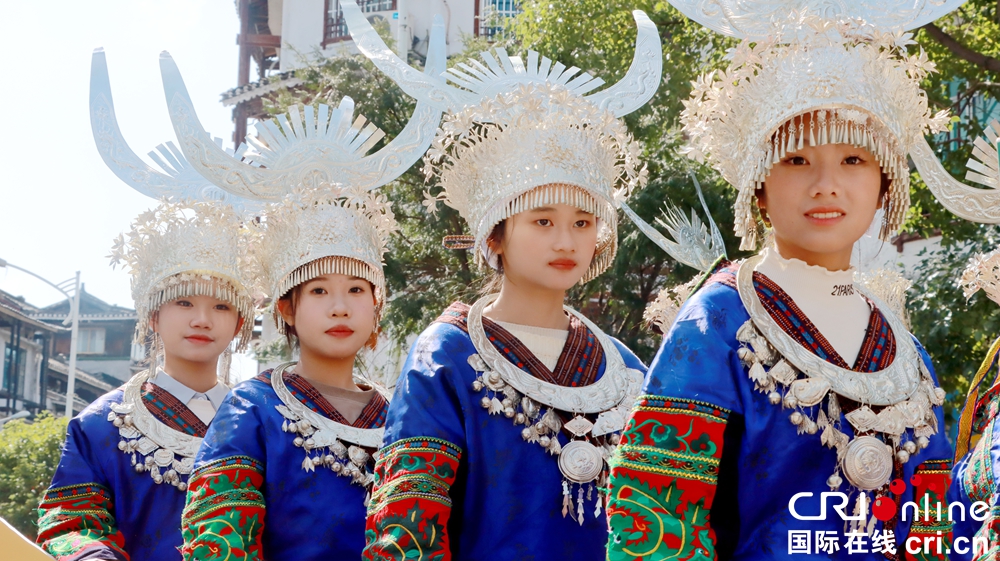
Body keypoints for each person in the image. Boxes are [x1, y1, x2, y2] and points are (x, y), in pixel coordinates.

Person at [605, 6, 966, 560]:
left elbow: (937, 530)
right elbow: (654, 527)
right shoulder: (716, 327)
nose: (827, 185)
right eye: (796, 159)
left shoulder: (907, 354)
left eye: (852, 159)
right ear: (759, 188)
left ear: (883, 184)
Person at [340, 5, 662, 558]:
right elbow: (409, 528)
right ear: (494, 236)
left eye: (582, 223)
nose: (566, 241)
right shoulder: (446, 357)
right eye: (542, 222)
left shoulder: (625, 370)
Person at [179, 183, 396, 560]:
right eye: (318, 291)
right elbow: (220, 539)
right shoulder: (252, 409)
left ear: (376, 306)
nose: (340, 308)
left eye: (357, 290)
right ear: (286, 309)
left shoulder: (403, 414)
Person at [37, 200, 255, 561]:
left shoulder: (261, 422)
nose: (202, 319)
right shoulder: (100, 424)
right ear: (153, 316)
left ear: (239, 324)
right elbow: (71, 522)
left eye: (221, 305)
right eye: (183, 302)